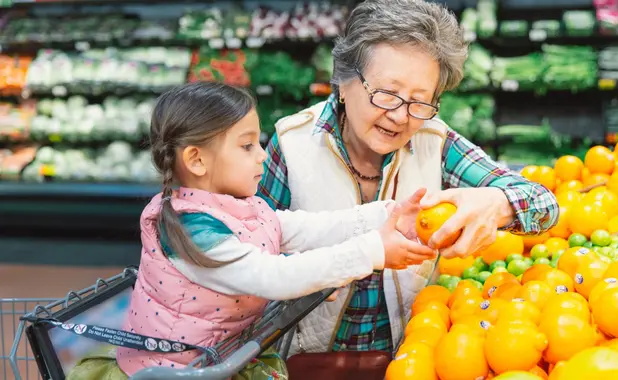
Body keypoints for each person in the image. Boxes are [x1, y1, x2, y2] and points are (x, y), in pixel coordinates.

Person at [66, 82, 436, 380]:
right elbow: (276, 277)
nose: (262, 154)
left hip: (216, 357)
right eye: (246, 146)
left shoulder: (238, 206)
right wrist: (372, 251)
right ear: (196, 160)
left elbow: (303, 227)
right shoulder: (192, 231)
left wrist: (383, 214)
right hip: (176, 372)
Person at [257, 0, 559, 359]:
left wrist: (499, 204)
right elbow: (247, 251)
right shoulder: (292, 144)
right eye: (387, 94)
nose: (400, 117)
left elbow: (545, 203)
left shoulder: (435, 142)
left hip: (410, 358)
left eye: (420, 102)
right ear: (343, 81)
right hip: (303, 361)